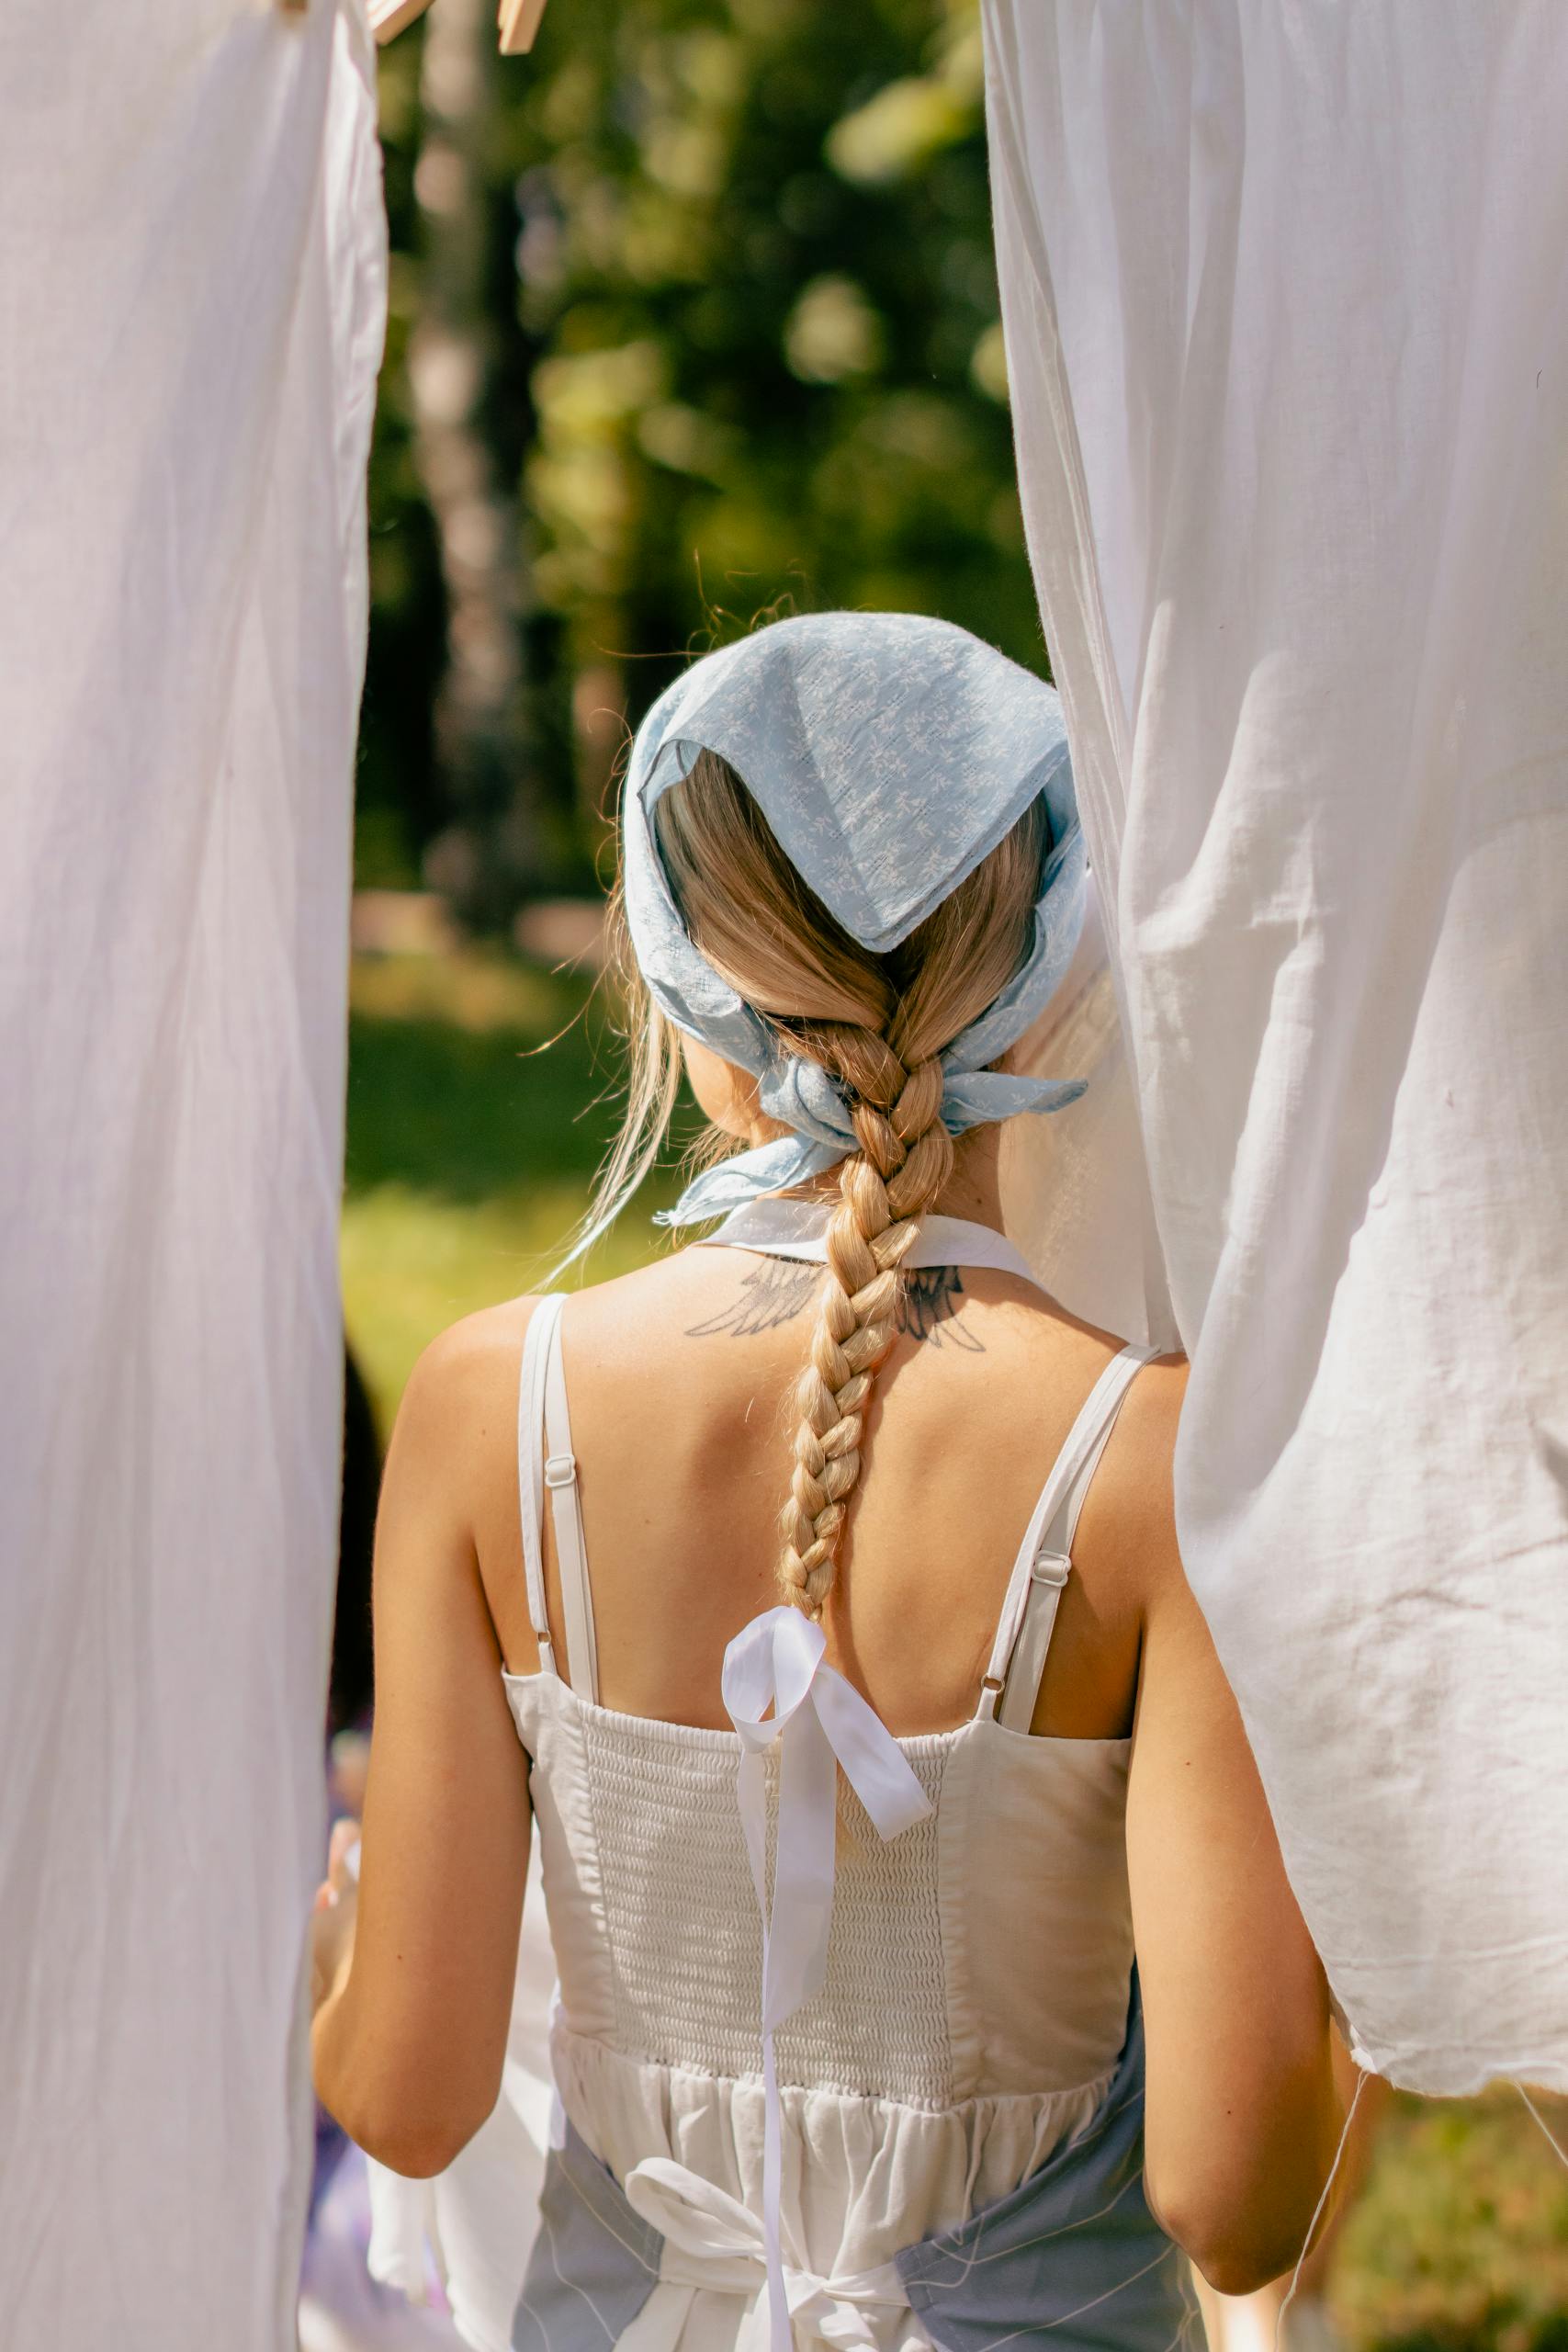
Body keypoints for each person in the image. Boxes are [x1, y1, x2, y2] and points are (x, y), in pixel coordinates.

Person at [310, 614, 1342, 2352]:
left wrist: (343, 1972)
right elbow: (1234, 2204)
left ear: (678, 987)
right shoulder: (1145, 1458)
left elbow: (408, 2098)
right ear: (1051, 966)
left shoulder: (493, 1408)